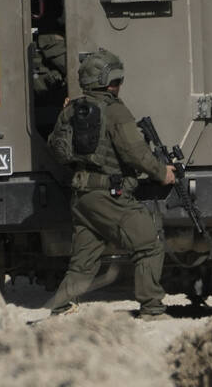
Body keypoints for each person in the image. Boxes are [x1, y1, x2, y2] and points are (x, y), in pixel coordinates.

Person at [45, 48, 176, 319]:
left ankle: (59, 308)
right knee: (148, 244)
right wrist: (162, 173)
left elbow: (55, 148)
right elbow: (135, 153)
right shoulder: (116, 111)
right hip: (109, 196)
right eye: (116, 81)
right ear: (107, 83)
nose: (119, 86)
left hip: (82, 197)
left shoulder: (71, 110)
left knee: (83, 263)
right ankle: (152, 308)